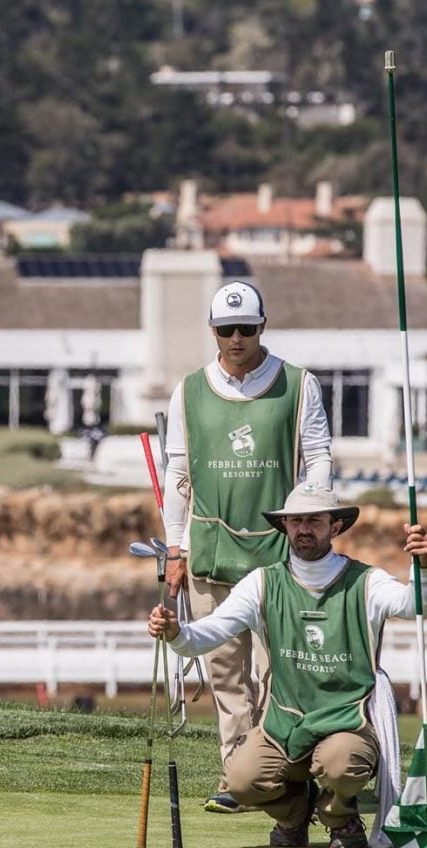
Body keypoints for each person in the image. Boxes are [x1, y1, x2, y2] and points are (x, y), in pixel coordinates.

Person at [148, 482, 427, 848]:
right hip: (283, 722)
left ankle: (340, 818)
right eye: (295, 520)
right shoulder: (263, 582)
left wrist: (423, 564)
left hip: (348, 720)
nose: (303, 529)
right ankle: (294, 817)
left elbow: (416, 605)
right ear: (285, 527)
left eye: (314, 520)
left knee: (341, 766)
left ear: (335, 527)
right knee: (241, 781)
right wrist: (175, 632)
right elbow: (207, 634)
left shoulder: (367, 582)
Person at [162, 280, 333, 814]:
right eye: (226, 329)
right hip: (210, 552)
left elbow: (319, 457)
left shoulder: (299, 384)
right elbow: (178, 472)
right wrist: (174, 546)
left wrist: (309, 516)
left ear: (263, 326)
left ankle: (276, 772)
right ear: (212, 331)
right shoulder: (189, 390)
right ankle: (238, 774)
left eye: (247, 328)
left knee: (274, 672)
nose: (236, 338)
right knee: (225, 675)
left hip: (277, 558)